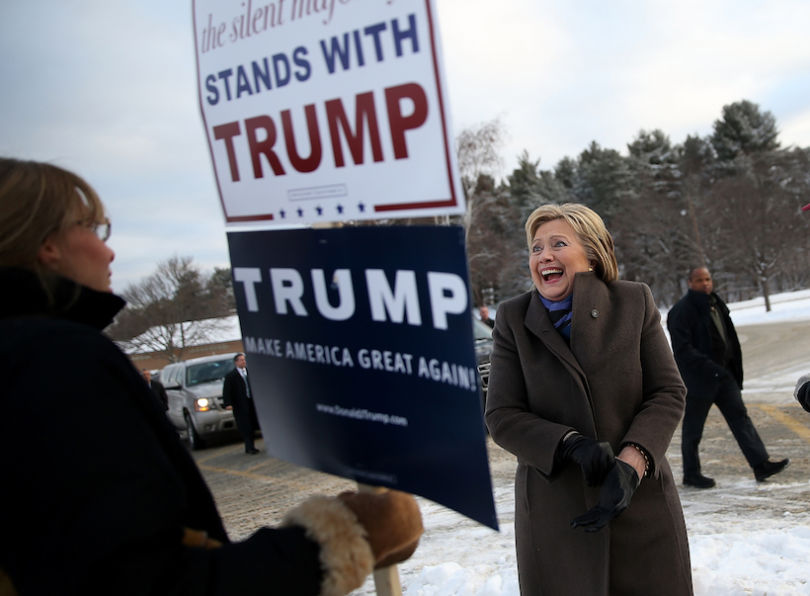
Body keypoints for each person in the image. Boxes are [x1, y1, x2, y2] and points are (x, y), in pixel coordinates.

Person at [0, 158, 423, 595]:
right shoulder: (54, 359)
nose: (108, 251)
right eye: (92, 229)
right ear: (47, 244)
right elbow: (144, 581)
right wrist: (345, 537)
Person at [485, 203, 692, 595]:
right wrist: (568, 444)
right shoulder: (512, 319)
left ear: (592, 253)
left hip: (641, 506)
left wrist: (632, 463)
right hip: (556, 519)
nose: (543, 255)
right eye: (535, 247)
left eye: (558, 244)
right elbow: (501, 415)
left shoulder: (634, 302)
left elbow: (668, 391)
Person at [667, 266, 789, 488]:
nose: (705, 283)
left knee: (741, 419)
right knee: (693, 429)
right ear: (690, 283)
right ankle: (691, 474)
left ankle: (760, 464)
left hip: (724, 377)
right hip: (699, 381)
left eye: (707, 279)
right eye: (699, 280)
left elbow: (728, 338)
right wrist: (709, 368)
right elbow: (682, 350)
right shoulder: (681, 311)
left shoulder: (716, 304)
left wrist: (730, 370)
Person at [223, 352, 261, 454]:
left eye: (244, 359)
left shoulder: (250, 372)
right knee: (245, 426)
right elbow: (227, 391)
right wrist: (228, 403)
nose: (243, 361)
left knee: (253, 424)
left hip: (252, 403)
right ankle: (249, 447)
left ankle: (252, 446)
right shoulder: (231, 376)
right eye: (241, 360)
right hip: (240, 405)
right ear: (236, 362)